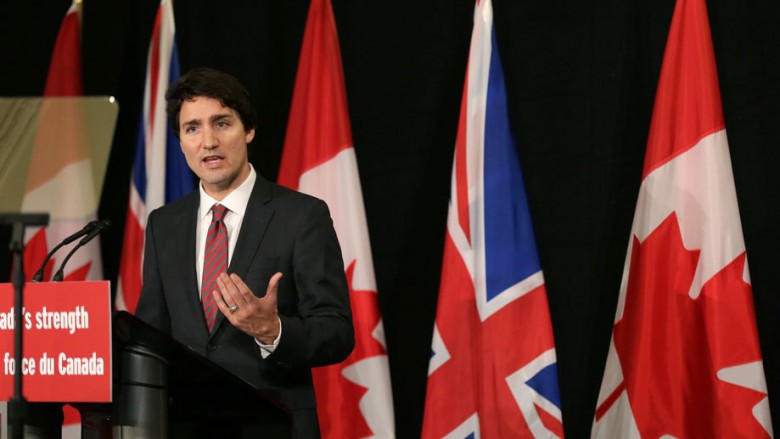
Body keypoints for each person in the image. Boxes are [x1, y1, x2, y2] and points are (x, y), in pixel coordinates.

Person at [135, 67, 355, 438]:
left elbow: (336, 332)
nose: (208, 142)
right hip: (185, 426)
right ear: (181, 142)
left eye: (222, 123)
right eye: (193, 128)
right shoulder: (164, 224)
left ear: (248, 130)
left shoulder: (301, 216)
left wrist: (274, 331)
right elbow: (151, 333)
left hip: (274, 425)